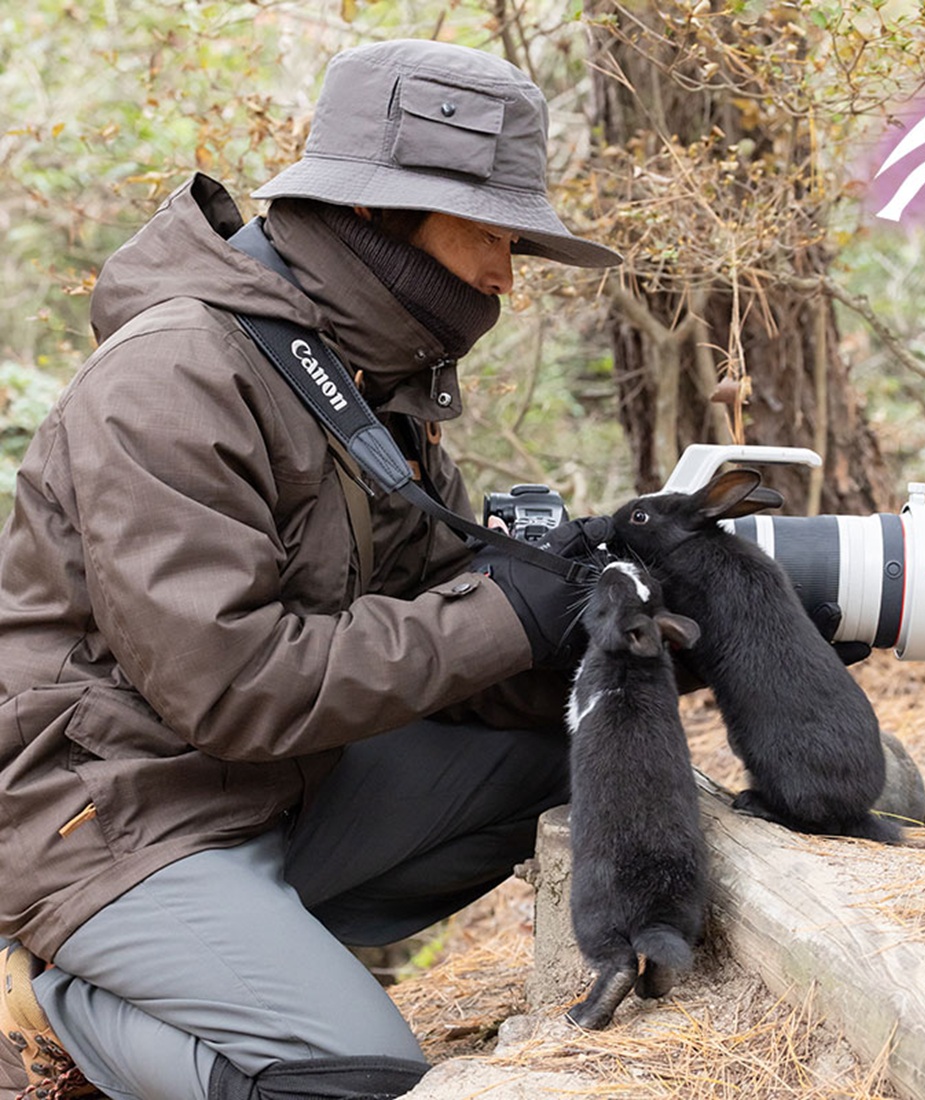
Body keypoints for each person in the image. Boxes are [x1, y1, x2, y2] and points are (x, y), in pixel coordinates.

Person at [0, 38, 620, 1100]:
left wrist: (603, 623)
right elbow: (231, 684)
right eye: (488, 233)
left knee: (573, 758)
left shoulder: (365, 382)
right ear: (375, 214)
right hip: (103, 819)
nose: (503, 276)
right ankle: (54, 1001)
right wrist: (506, 614)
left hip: (269, 795)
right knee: (353, 1077)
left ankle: (213, 966)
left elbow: (443, 632)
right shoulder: (175, 373)